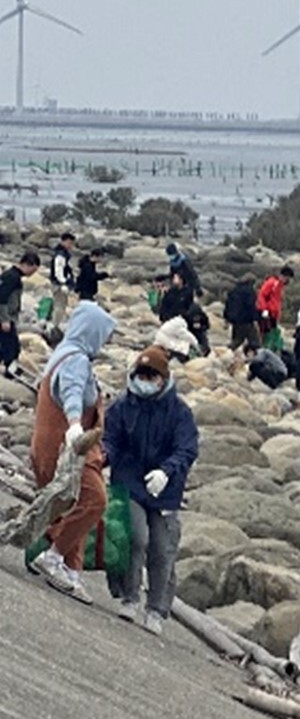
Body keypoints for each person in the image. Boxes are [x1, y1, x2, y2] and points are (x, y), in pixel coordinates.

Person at [102, 346, 200, 636]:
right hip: (129, 481)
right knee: (135, 536)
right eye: (141, 375)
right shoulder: (123, 405)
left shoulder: (179, 412)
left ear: (163, 378)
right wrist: (102, 455)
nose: (145, 381)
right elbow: (111, 440)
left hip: (164, 489)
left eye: (151, 376)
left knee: (162, 548)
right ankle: (129, 597)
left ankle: (156, 609)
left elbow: (187, 448)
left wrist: (167, 471)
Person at [25, 303, 117, 603]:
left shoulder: (61, 353)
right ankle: (52, 558)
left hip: (46, 445)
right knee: (94, 500)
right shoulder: (76, 360)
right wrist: (75, 425)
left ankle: (69, 569)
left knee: (67, 506)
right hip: (69, 450)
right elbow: (72, 392)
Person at [0, 250, 39, 379]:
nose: (31, 274)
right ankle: (10, 372)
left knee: (6, 344)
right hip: (6, 316)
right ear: (27, 264)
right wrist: (4, 319)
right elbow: (2, 298)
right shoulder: (13, 277)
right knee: (12, 347)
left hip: (9, 316)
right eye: (32, 271)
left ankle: (8, 369)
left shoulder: (11, 275)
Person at [224, 274, 260, 351]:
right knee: (255, 342)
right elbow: (251, 306)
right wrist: (255, 318)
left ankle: (227, 351)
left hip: (235, 320)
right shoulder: (250, 292)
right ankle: (257, 357)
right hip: (246, 320)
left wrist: (226, 318)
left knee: (237, 339)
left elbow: (228, 304)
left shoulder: (234, 290)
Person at [256, 264, 294, 339]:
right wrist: (264, 310)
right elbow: (262, 295)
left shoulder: (280, 285)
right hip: (267, 313)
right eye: (288, 278)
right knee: (263, 333)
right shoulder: (272, 283)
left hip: (273, 314)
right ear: (285, 276)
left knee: (269, 334)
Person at [48, 233, 75, 324]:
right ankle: (54, 326)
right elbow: (58, 270)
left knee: (60, 305)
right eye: (69, 243)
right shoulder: (61, 255)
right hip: (59, 284)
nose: (70, 245)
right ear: (63, 241)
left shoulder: (62, 253)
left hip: (58, 283)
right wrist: (63, 282)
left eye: (71, 243)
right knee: (59, 306)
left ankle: (55, 324)